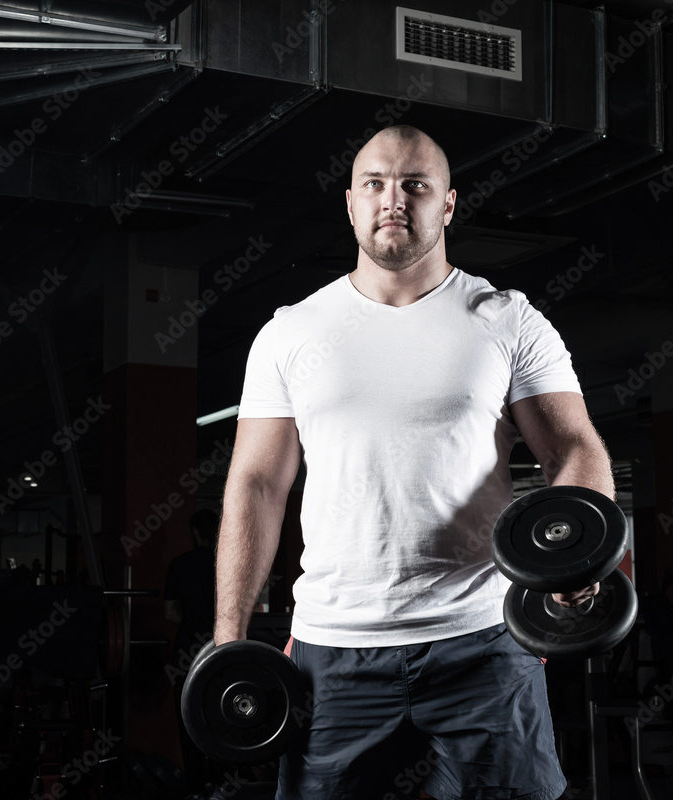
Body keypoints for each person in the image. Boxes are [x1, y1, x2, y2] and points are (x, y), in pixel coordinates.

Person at [214, 125, 615, 800]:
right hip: (334, 653)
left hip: (483, 641)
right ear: (350, 203)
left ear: (448, 204)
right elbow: (257, 485)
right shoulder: (292, 332)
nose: (392, 200)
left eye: (414, 185)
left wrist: (575, 562)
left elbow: (572, 447)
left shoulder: (508, 319)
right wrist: (231, 634)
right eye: (374, 184)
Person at [165, 508, 222, 799]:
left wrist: (191, 623)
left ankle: (197, 789)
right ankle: (221, 786)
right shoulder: (227, 563)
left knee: (189, 718)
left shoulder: (180, 564)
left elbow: (170, 612)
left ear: (195, 533)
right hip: (221, 648)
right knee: (221, 716)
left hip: (188, 650)